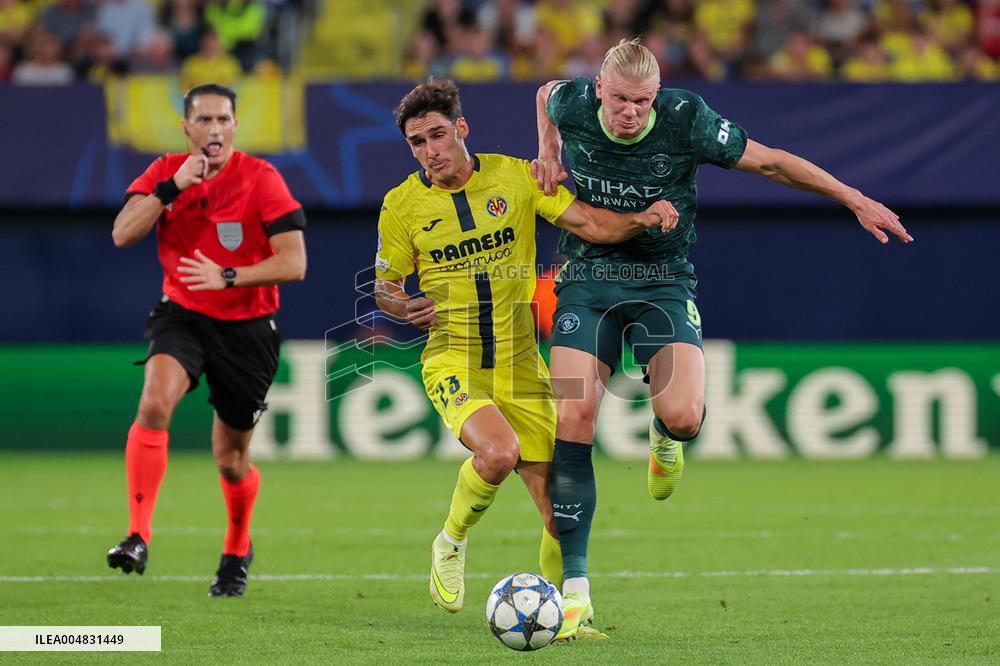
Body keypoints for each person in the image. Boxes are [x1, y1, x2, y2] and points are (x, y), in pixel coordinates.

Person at [531, 38, 913, 639]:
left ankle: (664, 438)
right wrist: (547, 150)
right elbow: (546, 93)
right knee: (574, 415)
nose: (631, 112)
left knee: (684, 416)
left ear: (656, 96)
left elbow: (771, 162)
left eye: (642, 101)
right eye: (621, 100)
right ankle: (575, 589)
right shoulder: (572, 102)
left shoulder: (687, 120)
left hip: (662, 282)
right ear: (599, 89)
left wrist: (852, 197)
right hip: (586, 279)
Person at [374, 78, 678, 614]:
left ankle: (561, 617)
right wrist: (402, 306)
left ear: (462, 129)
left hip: (521, 365)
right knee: (498, 452)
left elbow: (589, 223)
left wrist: (641, 217)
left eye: (438, 135)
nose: (430, 151)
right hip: (454, 357)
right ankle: (450, 541)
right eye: (417, 143)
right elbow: (385, 286)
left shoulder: (515, 177)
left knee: (560, 516)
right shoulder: (401, 204)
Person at [106, 83, 307, 598]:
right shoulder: (164, 173)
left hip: (248, 328)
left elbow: (294, 262)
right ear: (187, 127)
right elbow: (123, 233)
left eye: (223, 120)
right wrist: (170, 188)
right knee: (153, 403)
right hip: (184, 315)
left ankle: (238, 546)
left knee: (230, 458)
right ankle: (137, 535)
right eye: (205, 121)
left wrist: (231, 275)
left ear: (235, 126)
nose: (214, 130)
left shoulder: (262, 179)